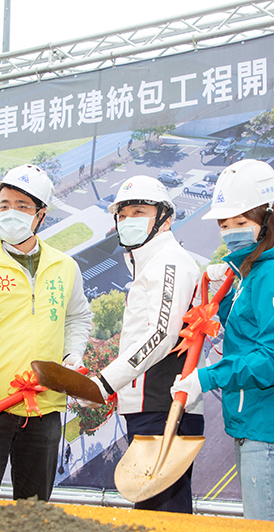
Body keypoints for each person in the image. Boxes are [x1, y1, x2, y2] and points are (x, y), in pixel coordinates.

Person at [171, 159, 274, 522]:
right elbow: (253, 337)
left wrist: (206, 378)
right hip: (254, 423)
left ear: (267, 220)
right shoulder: (254, 272)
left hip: (271, 426)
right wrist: (223, 327)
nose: (231, 231)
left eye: (241, 222)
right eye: (225, 224)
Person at [0, 164, 93, 501]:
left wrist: (72, 358)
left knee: (33, 510)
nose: (10, 213)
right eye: (3, 205)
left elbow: (78, 318)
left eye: (22, 206)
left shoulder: (64, 267)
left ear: (41, 215)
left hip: (45, 408)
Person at [82, 175, 201, 513]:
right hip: (150, 407)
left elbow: (161, 334)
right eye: (122, 214)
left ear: (165, 217)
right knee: (151, 514)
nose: (128, 221)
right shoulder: (148, 263)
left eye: (139, 211)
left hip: (166, 406)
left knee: (164, 518)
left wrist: (104, 383)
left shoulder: (170, 261)